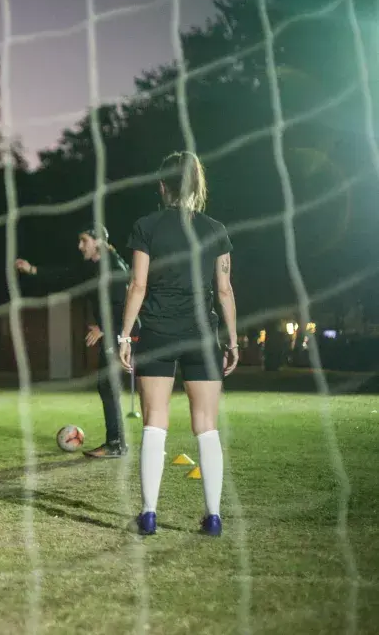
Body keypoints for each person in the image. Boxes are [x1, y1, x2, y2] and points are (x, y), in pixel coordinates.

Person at [116, 151, 239, 537]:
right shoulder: (215, 229)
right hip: (203, 335)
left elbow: (138, 285)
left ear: (162, 185)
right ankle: (214, 517)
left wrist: (124, 335)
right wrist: (232, 340)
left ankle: (149, 514)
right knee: (206, 426)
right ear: (198, 186)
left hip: (157, 334)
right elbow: (224, 289)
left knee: (155, 423)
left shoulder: (146, 226)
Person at [16, 225, 132, 458]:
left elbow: (125, 303)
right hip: (113, 332)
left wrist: (104, 328)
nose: (80, 246)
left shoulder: (113, 266)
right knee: (107, 385)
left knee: (108, 385)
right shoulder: (95, 267)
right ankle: (117, 442)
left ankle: (116, 444)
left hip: (120, 332)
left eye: (84, 240)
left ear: (98, 241)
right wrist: (33, 269)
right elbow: (66, 274)